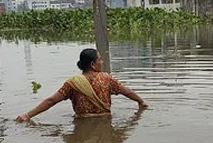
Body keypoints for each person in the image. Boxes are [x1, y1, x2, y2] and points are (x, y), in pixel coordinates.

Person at [15, 48, 147, 122]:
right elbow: (127, 93)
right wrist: (141, 102)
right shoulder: (107, 79)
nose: (102, 61)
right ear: (92, 64)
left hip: (82, 123)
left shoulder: (72, 83)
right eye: (100, 59)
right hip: (106, 122)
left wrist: (27, 115)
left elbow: (51, 101)